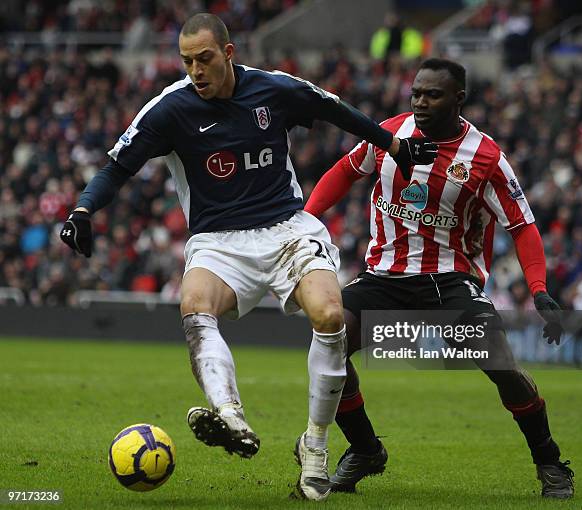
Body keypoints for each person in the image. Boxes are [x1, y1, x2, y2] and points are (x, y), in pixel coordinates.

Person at [59, 13, 437, 501]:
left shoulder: (273, 90)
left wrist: (391, 144)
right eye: (187, 61)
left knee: (330, 314)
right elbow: (116, 167)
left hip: (286, 229)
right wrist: (84, 208)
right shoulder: (168, 110)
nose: (196, 70)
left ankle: (316, 447)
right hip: (219, 241)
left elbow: (332, 108)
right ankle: (230, 415)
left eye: (205, 59)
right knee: (194, 305)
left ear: (229, 53)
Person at [305, 58, 574, 499]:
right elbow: (344, 172)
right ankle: (366, 449)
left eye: (433, 94)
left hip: (449, 280)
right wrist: (307, 221)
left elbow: (522, 226)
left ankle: (550, 461)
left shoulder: (485, 157)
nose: (421, 102)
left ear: (458, 99)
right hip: (383, 276)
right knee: (328, 347)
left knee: (501, 365)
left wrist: (539, 289)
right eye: (416, 93)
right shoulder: (389, 133)